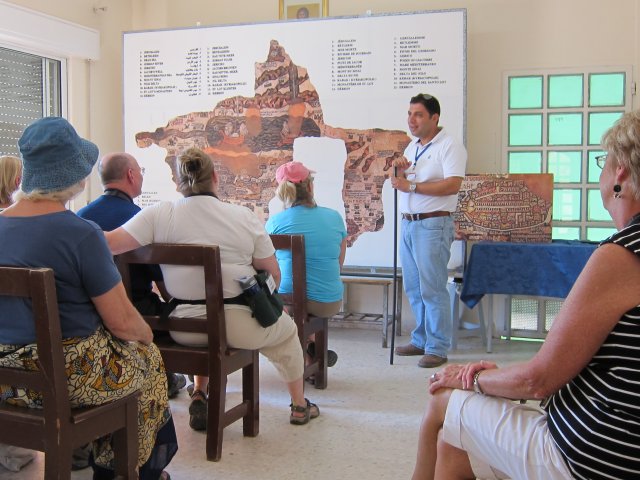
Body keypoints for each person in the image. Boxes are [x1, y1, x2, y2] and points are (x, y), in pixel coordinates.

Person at [412, 110, 640, 480]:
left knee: (443, 402)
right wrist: (500, 378)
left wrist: (470, 378)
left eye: (604, 161)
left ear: (621, 174)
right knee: (452, 441)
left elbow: (538, 381)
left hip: (597, 457)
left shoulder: (622, 256)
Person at [0, 117, 177, 480]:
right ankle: (127, 470)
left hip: (4, 379)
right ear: (73, 175)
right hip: (64, 376)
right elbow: (122, 322)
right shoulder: (81, 234)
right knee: (148, 363)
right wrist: (146, 336)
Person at [105, 147, 320, 429]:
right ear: (215, 177)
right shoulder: (242, 216)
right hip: (238, 326)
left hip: (183, 328)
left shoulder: (159, 214)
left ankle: (199, 392)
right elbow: (273, 276)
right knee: (287, 331)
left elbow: (108, 243)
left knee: (208, 322)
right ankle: (299, 405)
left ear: (178, 182)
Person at [77, 152, 186, 399]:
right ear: (130, 175)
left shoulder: (81, 217)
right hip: (137, 312)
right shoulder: (141, 219)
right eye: (140, 171)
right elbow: (166, 288)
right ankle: (167, 375)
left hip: (90, 314)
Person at [390, 93, 467, 368]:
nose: (411, 120)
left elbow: (453, 185)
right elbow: (399, 182)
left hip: (433, 224)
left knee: (432, 288)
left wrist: (411, 186)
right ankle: (421, 339)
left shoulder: (450, 145)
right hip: (409, 223)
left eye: (418, 114)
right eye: (410, 114)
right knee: (414, 287)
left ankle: (437, 347)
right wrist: (397, 171)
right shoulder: (412, 147)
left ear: (434, 118)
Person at [266, 161, 346, 370]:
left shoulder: (275, 223)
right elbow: (339, 264)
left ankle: (304, 355)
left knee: (274, 302)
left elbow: (269, 269)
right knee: (300, 307)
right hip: (329, 301)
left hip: (290, 301)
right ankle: (311, 347)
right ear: (310, 186)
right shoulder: (334, 217)